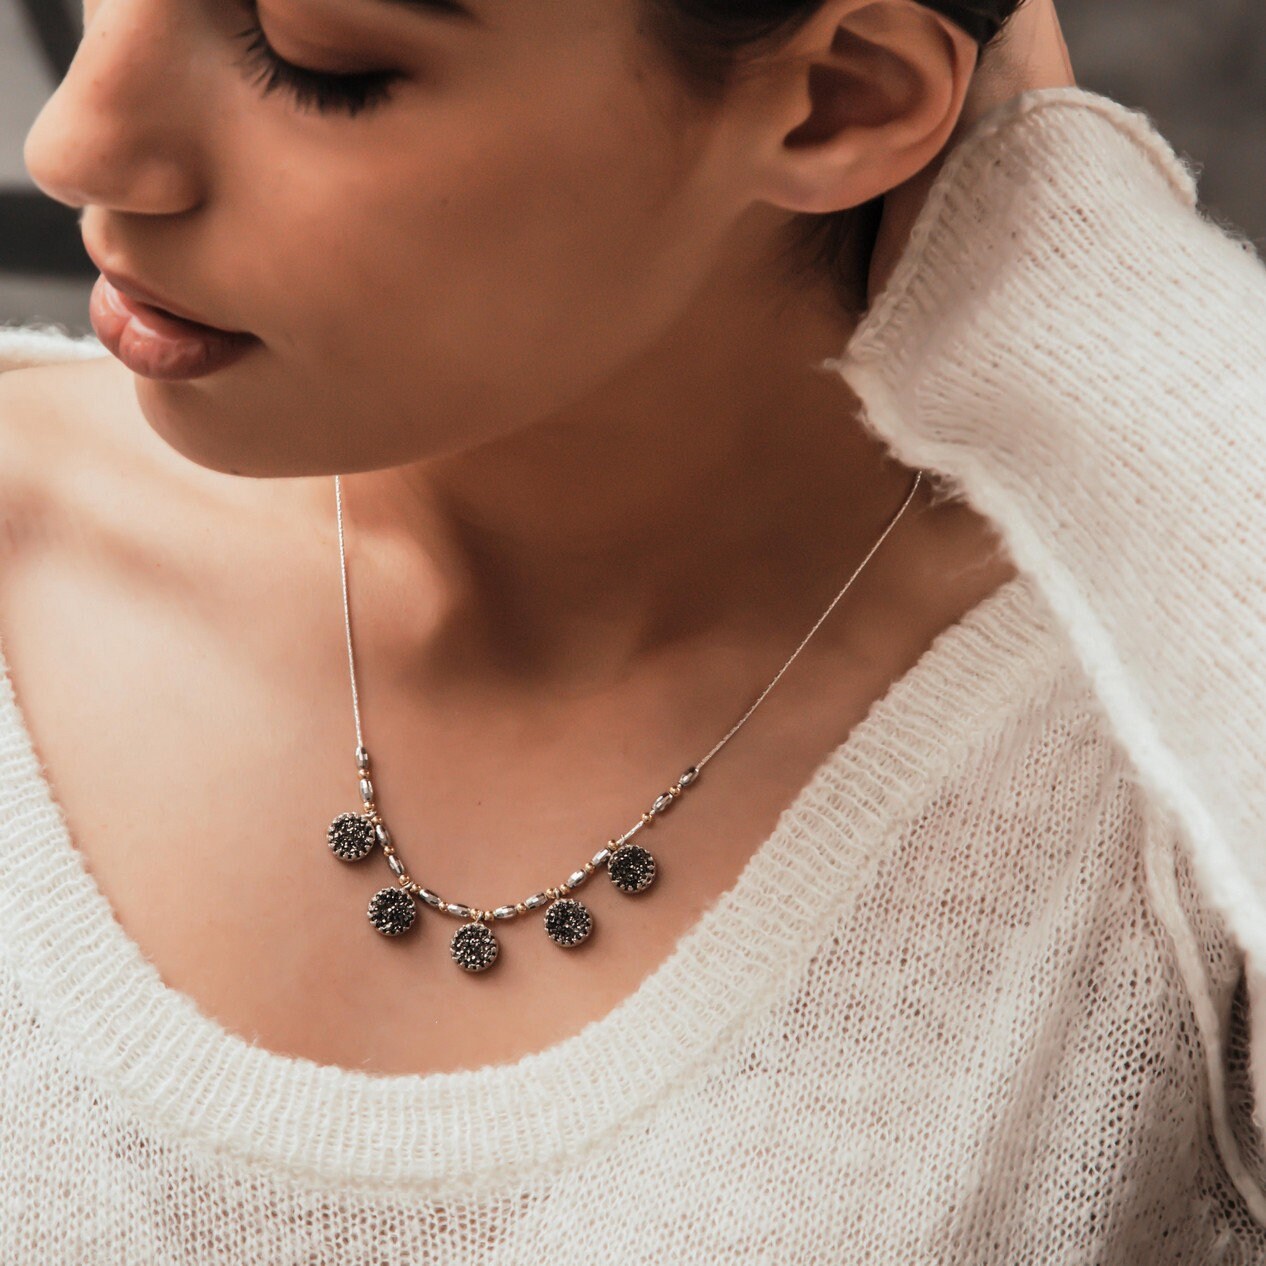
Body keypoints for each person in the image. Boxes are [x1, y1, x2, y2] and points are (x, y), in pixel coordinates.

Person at [0, 0, 1263, 1259]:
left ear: (844, 100)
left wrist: (1078, 270)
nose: (74, 143)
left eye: (319, 62)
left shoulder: (1177, 797)